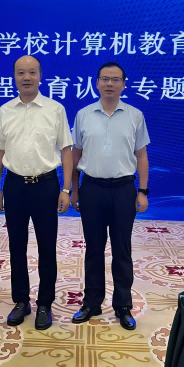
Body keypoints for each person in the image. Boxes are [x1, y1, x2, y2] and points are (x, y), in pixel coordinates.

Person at [0, 55, 73, 331]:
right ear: (14, 77)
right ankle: (21, 301)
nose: (27, 77)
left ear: (40, 76)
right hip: (14, 186)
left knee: (47, 246)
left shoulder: (55, 109)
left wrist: (66, 189)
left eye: (32, 72)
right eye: (21, 73)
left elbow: (66, 150)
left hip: (46, 186)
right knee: (16, 246)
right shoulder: (5, 111)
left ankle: (45, 303)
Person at [70, 61, 150, 331]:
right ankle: (92, 303)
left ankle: (123, 306)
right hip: (91, 188)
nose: (109, 84)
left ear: (124, 84)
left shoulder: (135, 115)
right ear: (96, 83)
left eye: (115, 80)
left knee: (121, 248)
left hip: (124, 189)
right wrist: (74, 190)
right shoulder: (83, 115)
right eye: (105, 79)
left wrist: (142, 191)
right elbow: (76, 155)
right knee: (93, 248)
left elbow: (141, 156)